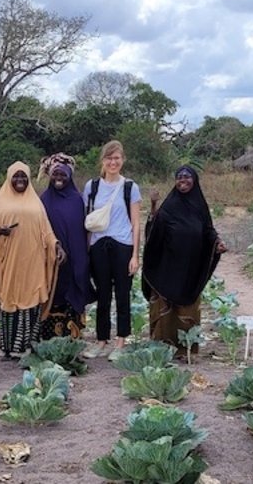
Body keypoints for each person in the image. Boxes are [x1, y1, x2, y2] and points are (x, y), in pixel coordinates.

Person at [0, 161, 66, 360]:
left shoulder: (35, 203)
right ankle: (9, 348)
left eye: (23, 177)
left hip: (33, 262)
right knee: (9, 299)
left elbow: (45, 230)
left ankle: (28, 346)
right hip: (9, 262)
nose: (20, 180)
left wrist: (56, 245)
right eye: (16, 176)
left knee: (32, 301)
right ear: (9, 178)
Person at [142, 165, 227, 359]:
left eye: (187, 177)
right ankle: (161, 350)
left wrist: (217, 242)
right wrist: (154, 206)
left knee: (187, 306)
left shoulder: (200, 206)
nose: (183, 180)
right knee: (163, 306)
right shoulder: (169, 206)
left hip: (190, 266)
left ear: (194, 180)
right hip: (166, 267)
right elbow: (154, 229)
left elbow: (208, 229)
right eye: (179, 177)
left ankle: (185, 350)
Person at [82, 140, 142, 361]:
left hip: (123, 245)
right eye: (109, 158)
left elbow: (136, 223)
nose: (113, 162)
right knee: (103, 294)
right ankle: (101, 340)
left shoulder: (130, 188)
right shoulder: (92, 187)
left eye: (117, 158)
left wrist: (135, 255)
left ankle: (121, 340)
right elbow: (88, 221)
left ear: (122, 160)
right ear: (103, 161)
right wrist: (87, 251)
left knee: (123, 294)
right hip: (99, 245)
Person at [38, 153, 93, 340]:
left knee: (73, 292)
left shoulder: (77, 200)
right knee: (54, 293)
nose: (59, 178)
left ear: (69, 177)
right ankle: (50, 338)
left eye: (63, 175)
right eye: (55, 174)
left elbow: (84, 230)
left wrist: (85, 257)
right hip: (53, 259)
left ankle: (72, 336)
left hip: (76, 258)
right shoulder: (43, 200)